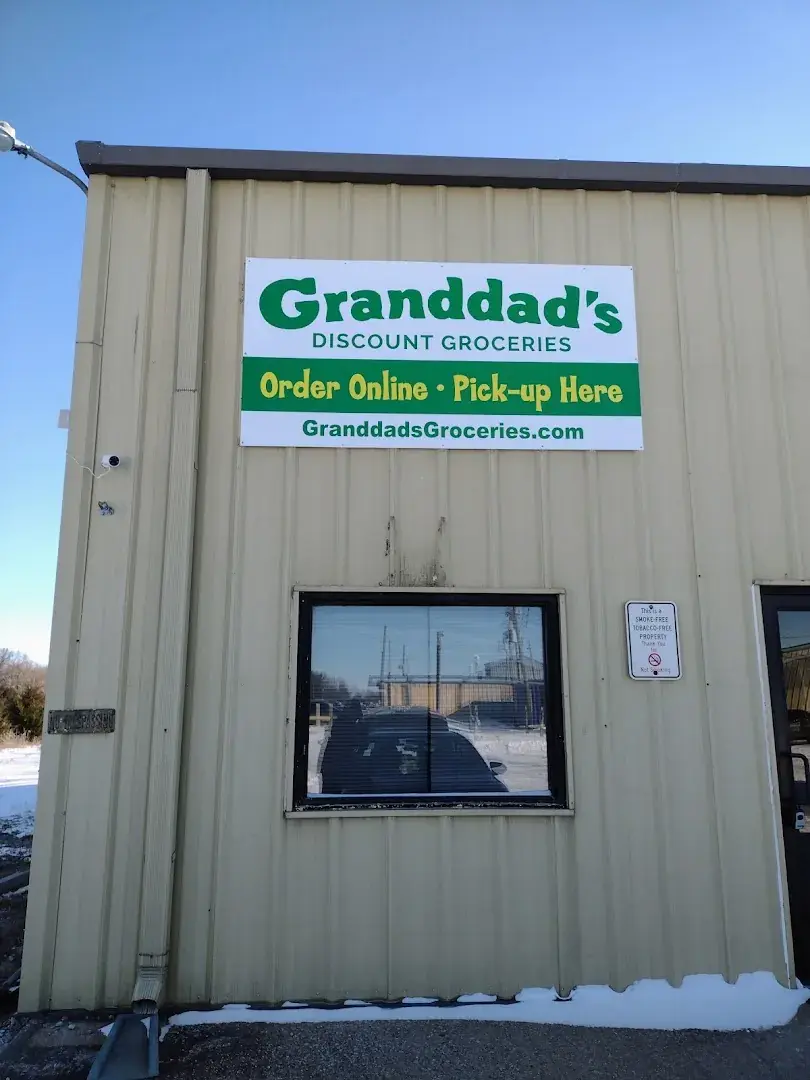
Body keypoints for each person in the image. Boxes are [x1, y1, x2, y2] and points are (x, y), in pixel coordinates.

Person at [319, 697, 370, 794]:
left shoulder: (342, 722)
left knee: (330, 796)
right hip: (336, 769)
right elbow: (355, 744)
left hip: (333, 768)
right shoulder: (345, 726)